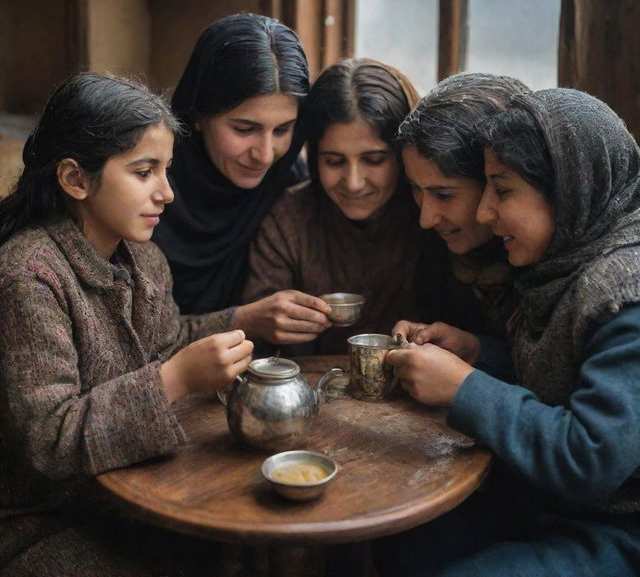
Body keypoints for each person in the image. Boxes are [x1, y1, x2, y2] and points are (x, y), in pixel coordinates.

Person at [377, 88, 640, 575]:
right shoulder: (561, 266)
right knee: (405, 539)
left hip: (618, 528)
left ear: (566, 188)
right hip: (547, 503)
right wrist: (477, 352)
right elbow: (568, 375)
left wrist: (463, 387)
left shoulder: (627, 290)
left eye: (503, 189)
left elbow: (592, 459)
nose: (483, 212)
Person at [0, 73, 255, 575]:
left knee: (239, 553)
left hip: (131, 496)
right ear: (76, 179)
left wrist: (247, 318)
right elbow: (50, 439)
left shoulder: (143, 259)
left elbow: (168, 342)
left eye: (166, 170)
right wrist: (176, 380)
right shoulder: (28, 278)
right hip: (41, 520)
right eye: (144, 172)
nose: (167, 194)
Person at [153, 13, 338, 349]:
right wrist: (244, 321)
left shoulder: (291, 184)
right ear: (198, 115)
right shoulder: (149, 186)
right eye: (244, 129)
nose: (265, 155)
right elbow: (127, 338)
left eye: (282, 130)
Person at [242, 58, 425, 354]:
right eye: (334, 161)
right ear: (313, 157)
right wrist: (272, 322)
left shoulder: (432, 215)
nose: (352, 183)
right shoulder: (289, 219)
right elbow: (259, 340)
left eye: (374, 160)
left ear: (404, 156)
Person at [392, 72, 528, 341]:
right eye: (416, 189)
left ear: (496, 183)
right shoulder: (430, 249)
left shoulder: (549, 270)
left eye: (444, 195)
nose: (426, 219)